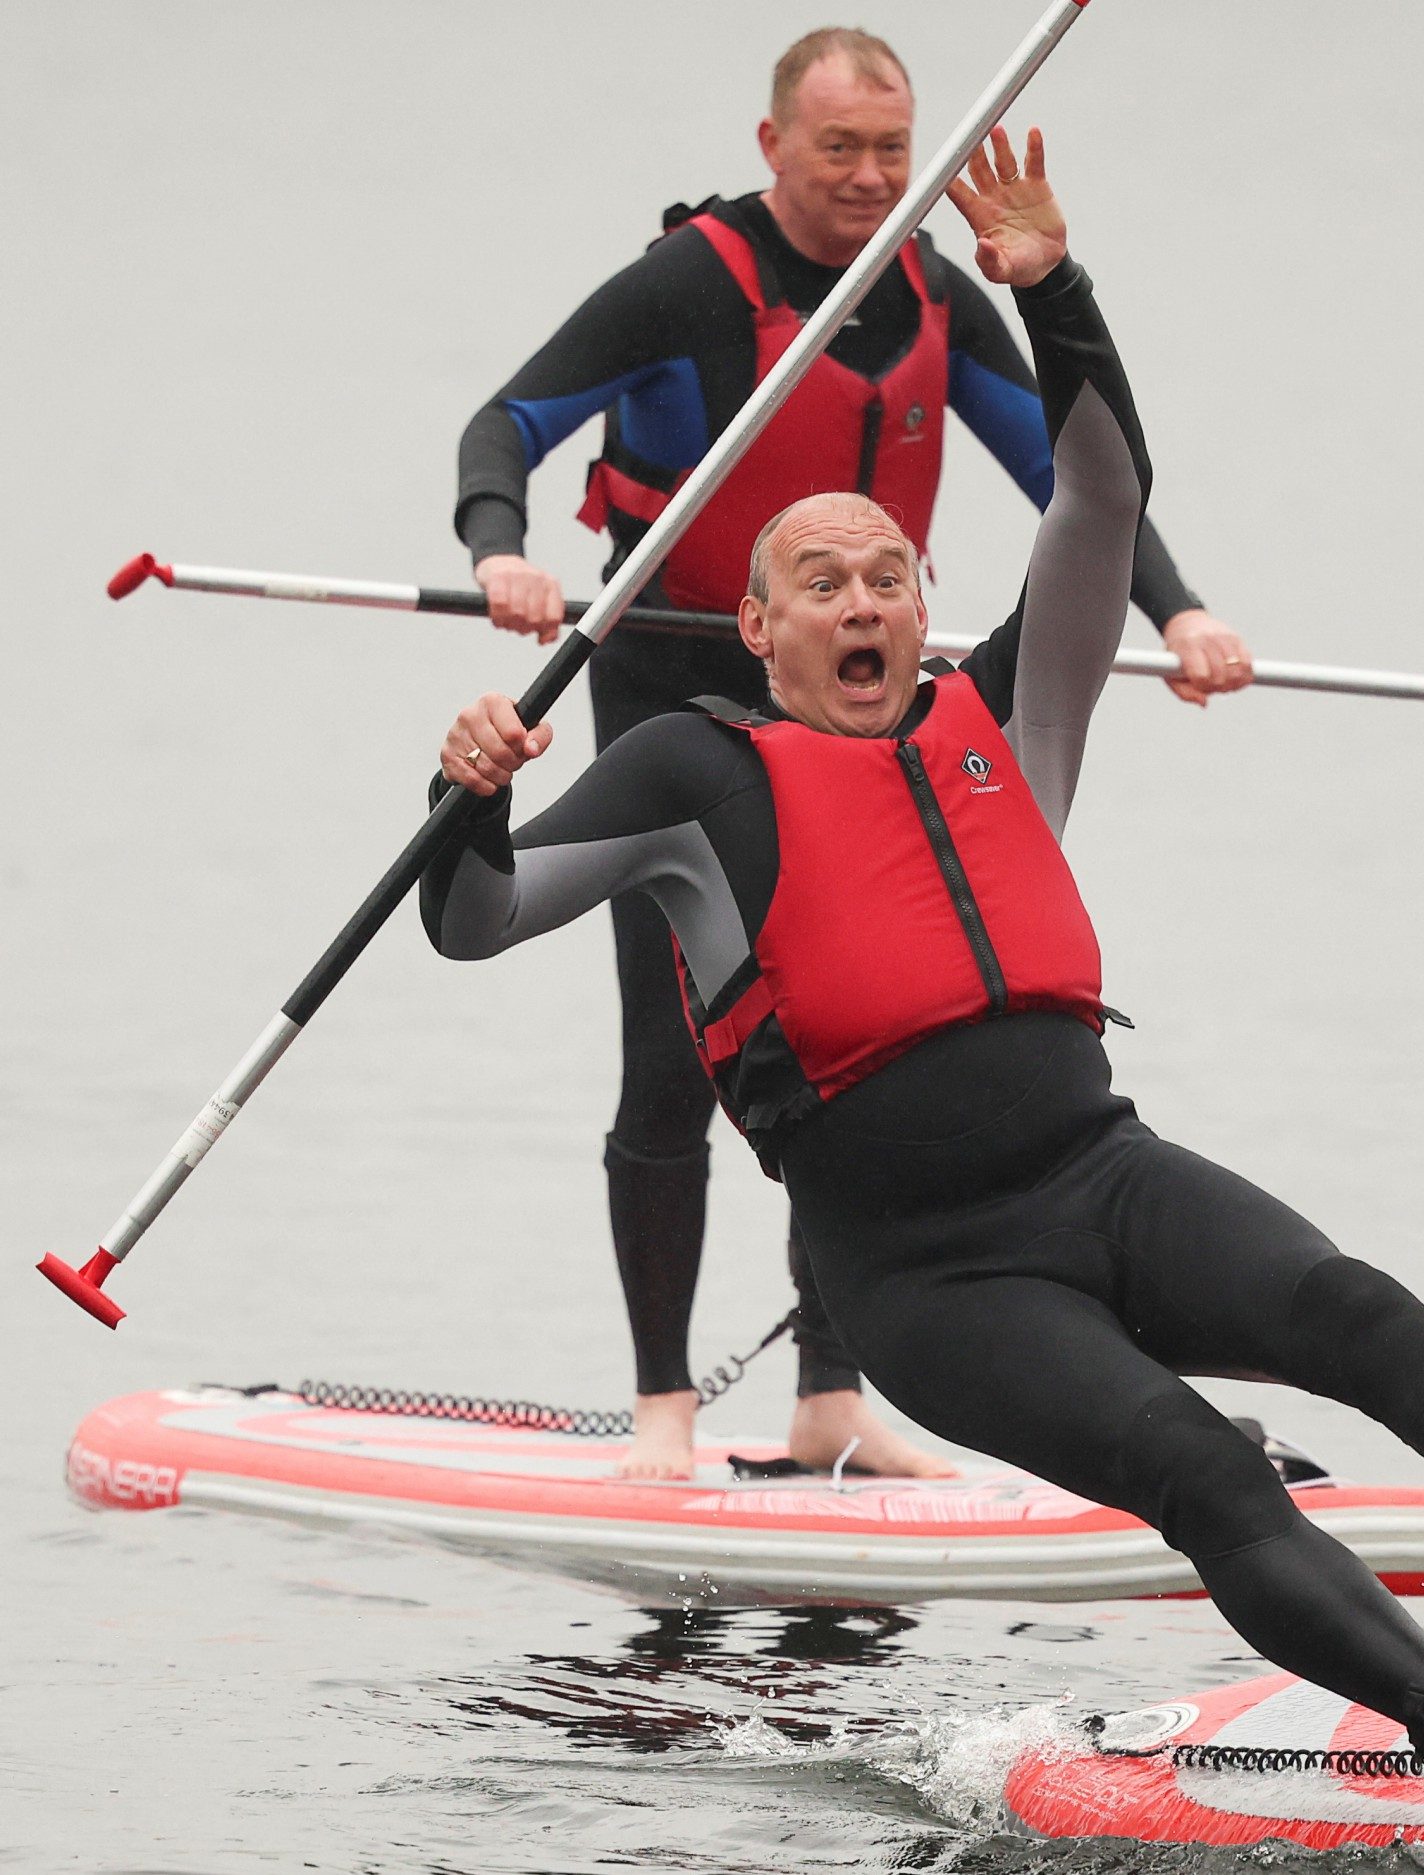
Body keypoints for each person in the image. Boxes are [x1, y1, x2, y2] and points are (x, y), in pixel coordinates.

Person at [423, 130, 1424, 1829]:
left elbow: (1103, 503)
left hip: (1102, 1174)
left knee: (1357, 1314)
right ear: (758, 630)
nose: (860, 600)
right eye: (815, 583)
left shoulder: (1011, 716)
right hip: (931, 1277)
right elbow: (478, 920)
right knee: (1201, 1467)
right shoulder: (696, 774)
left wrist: (1052, 290)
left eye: (886, 574)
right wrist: (466, 792)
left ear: (924, 598)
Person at [454, 28, 1253, 1481]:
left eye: (894, 150)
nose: (872, 177)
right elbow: (508, 422)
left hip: (857, 700)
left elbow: (1072, 474)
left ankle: (833, 1397)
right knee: (673, 1048)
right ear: (773, 149)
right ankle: (661, 1412)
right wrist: (503, 554)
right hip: (675, 697)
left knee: (862, 1040)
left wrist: (1181, 608)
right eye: (841, 151)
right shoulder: (684, 286)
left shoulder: (930, 291)